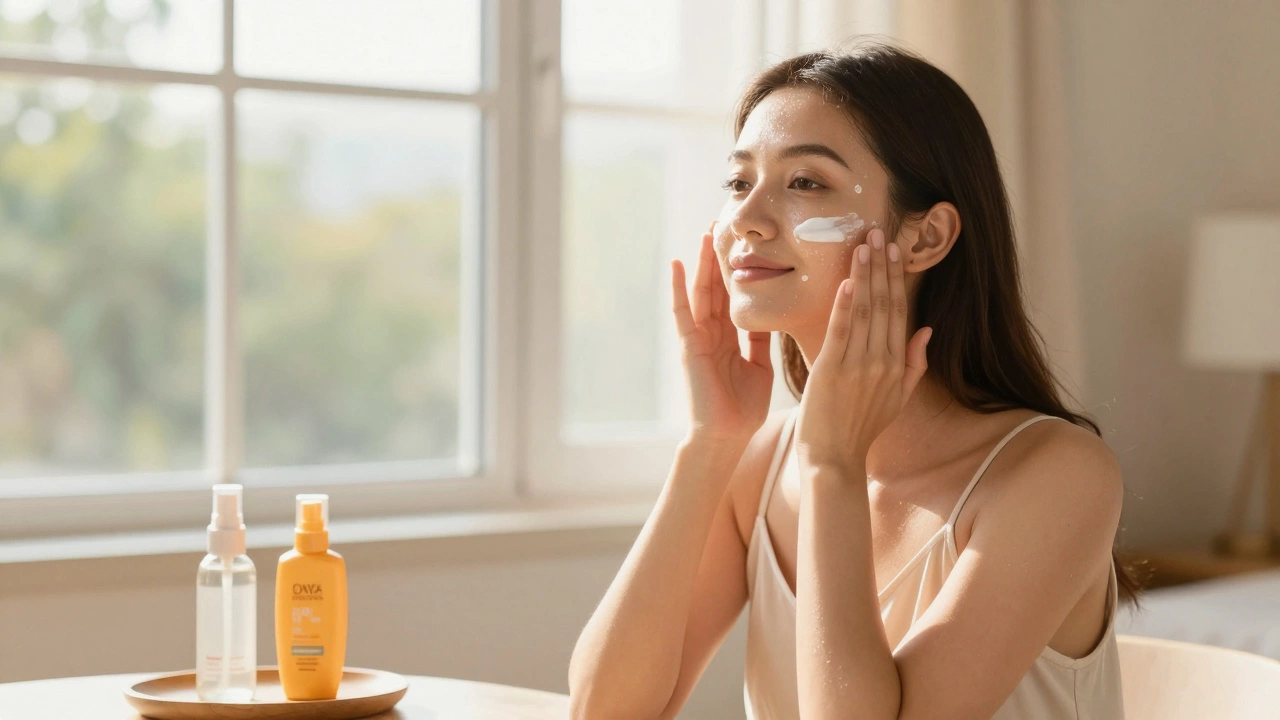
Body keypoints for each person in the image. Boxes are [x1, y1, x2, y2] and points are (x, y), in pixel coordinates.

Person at [568, 42, 1134, 720]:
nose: (746, 217)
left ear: (925, 239)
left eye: (806, 182)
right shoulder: (757, 465)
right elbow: (602, 711)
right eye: (739, 182)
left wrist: (834, 465)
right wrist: (709, 444)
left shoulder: (1058, 476)